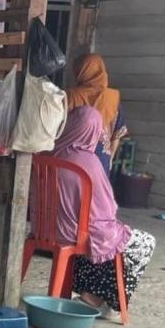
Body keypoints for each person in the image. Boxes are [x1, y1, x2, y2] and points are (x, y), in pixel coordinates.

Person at [53, 106, 155, 317]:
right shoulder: (88, 161)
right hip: (75, 234)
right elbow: (107, 208)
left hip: (50, 229)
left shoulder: (52, 153)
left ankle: (90, 294)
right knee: (143, 242)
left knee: (100, 234)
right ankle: (99, 299)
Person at [66, 53, 128, 174]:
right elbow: (117, 133)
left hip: (72, 158)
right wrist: (110, 157)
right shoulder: (113, 98)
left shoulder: (71, 95)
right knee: (95, 192)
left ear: (81, 71)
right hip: (101, 159)